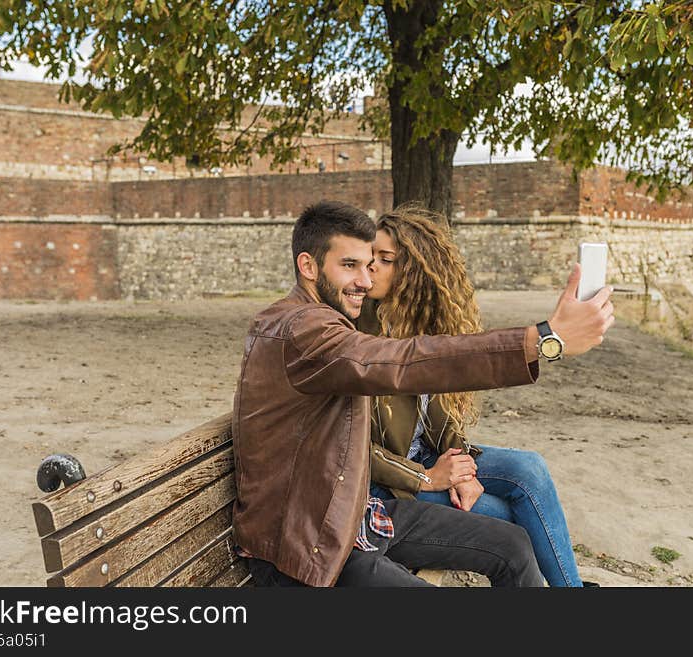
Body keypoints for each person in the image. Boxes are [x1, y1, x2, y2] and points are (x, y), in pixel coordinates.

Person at [232, 200, 614, 587]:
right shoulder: (302, 330)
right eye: (350, 266)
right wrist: (542, 340)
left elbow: (420, 383)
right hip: (315, 543)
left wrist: (459, 463)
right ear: (309, 266)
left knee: (513, 544)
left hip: (358, 513)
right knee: (501, 520)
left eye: (370, 266)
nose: (365, 280)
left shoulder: (329, 322)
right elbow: (402, 363)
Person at [359, 205, 603, 587]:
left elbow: (437, 416)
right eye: (370, 255)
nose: (369, 266)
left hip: (426, 459)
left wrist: (462, 468)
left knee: (531, 469)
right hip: (387, 484)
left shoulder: (415, 325)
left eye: (385, 259)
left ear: (414, 274)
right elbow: (351, 447)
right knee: (505, 514)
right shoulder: (358, 333)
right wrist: (427, 477)